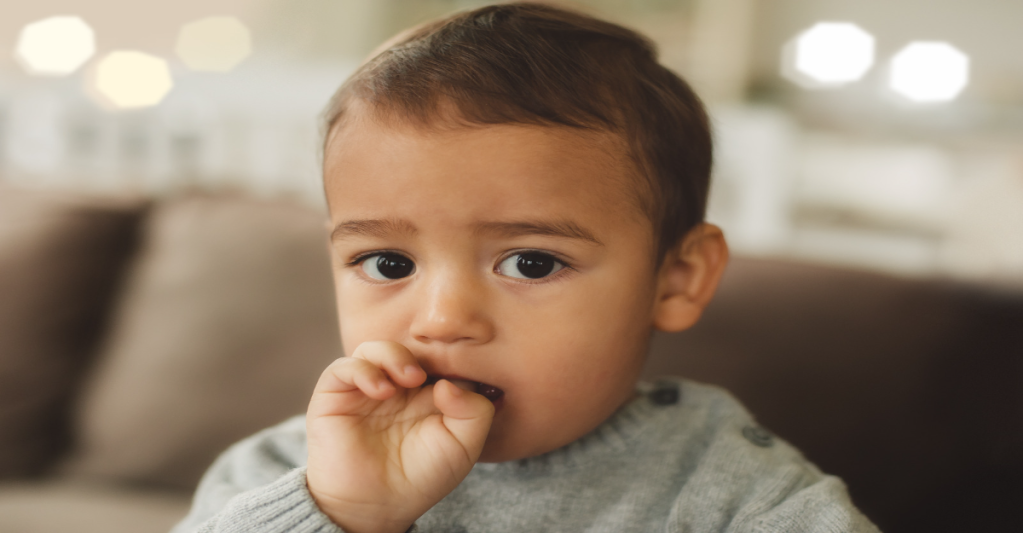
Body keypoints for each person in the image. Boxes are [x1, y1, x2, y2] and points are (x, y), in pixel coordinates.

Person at [171, 3, 879, 532]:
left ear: (676, 276)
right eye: (387, 261)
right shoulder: (276, 477)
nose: (443, 318)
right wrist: (345, 511)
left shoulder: (735, 495)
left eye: (531, 261)